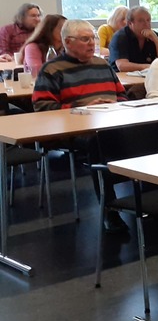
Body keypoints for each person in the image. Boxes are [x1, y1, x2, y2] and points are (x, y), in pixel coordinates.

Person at [33, 19, 129, 233]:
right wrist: (81, 107)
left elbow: (122, 95)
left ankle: (154, 198)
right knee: (100, 143)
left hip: (110, 121)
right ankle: (110, 209)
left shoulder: (102, 64)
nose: (92, 43)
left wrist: (114, 103)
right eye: (85, 39)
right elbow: (42, 108)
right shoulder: (52, 69)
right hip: (75, 130)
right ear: (68, 42)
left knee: (149, 134)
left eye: (92, 38)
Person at [108, 6, 158, 71]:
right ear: (130, 23)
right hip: (122, 76)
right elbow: (122, 66)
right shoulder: (120, 37)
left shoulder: (155, 36)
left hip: (148, 74)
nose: (146, 24)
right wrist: (149, 67)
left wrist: (157, 41)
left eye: (148, 20)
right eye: (141, 21)